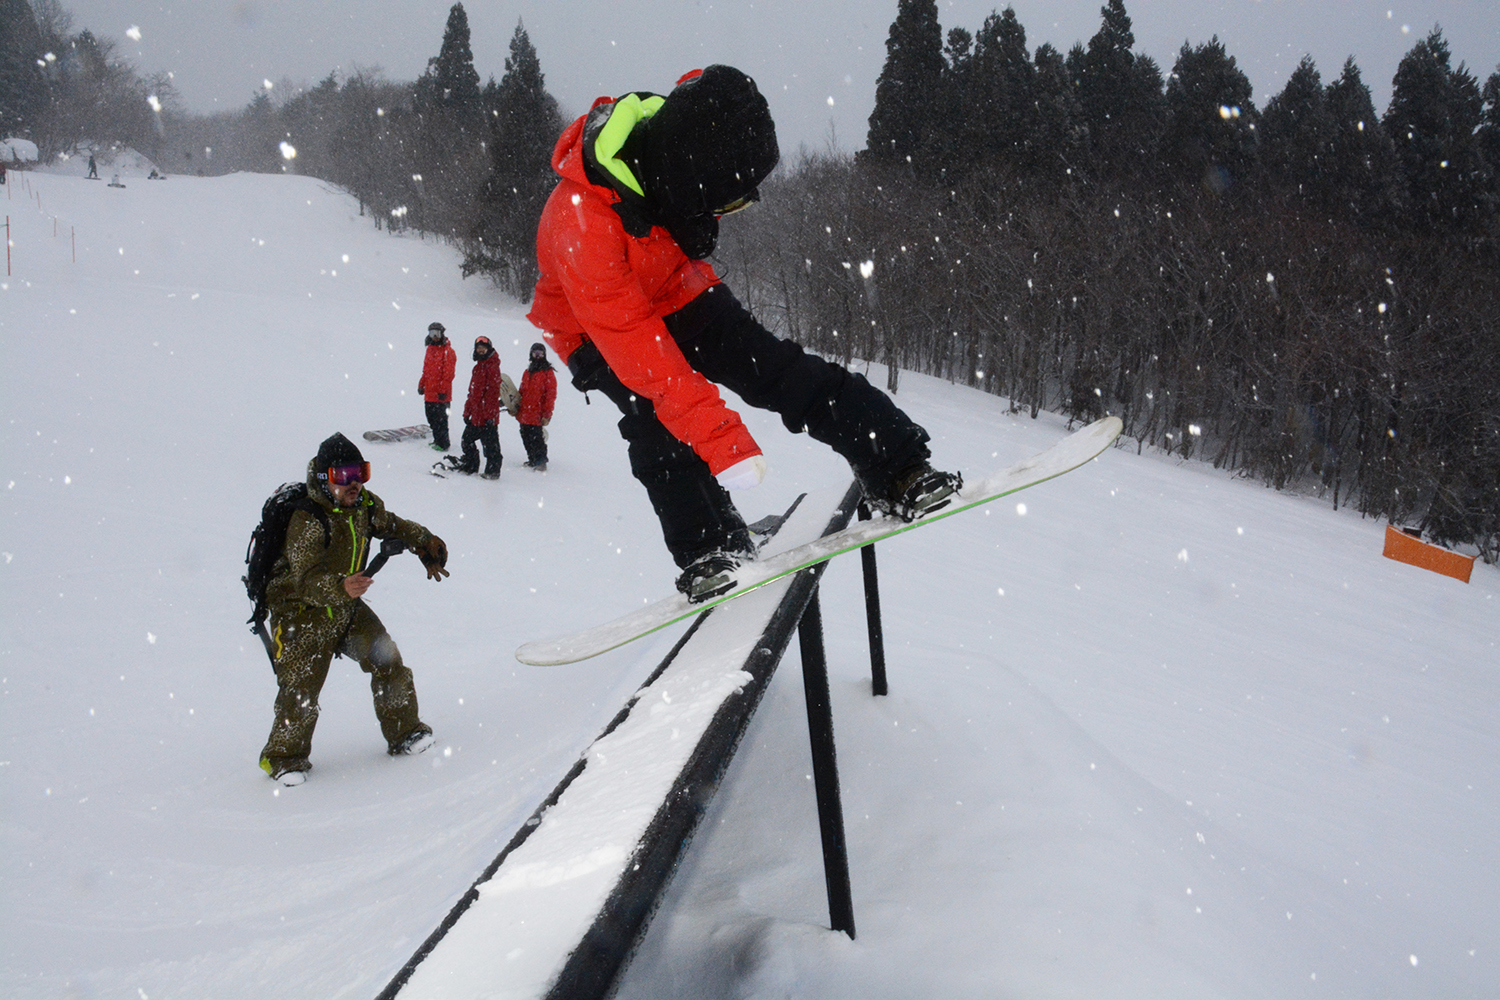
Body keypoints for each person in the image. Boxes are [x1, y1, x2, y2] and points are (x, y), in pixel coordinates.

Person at [527, 65, 962, 602]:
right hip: (594, 325)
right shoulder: (579, 221)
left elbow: (705, 106)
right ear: (693, 181)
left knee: (774, 369)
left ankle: (897, 464)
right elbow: (639, 347)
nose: (727, 212)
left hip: (674, 288)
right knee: (655, 418)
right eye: (727, 199)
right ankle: (711, 547)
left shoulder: (667, 146)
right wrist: (723, 441)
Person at [258, 432, 450, 786]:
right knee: (300, 691)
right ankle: (283, 758)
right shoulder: (307, 520)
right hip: (301, 615)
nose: (354, 483)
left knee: (388, 661)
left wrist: (422, 540)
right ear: (324, 479)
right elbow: (304, 581)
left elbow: (390, 523)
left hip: (344, 608)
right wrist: (340, 586)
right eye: (343, 476)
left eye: (360, 472)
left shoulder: (363, 505)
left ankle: (405, 733)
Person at [457, 336, 503, 478]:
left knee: (491, 447)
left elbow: (492, 394)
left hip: (487, 416)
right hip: (476, 415)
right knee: (467, 440)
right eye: (478, 348)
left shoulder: (492, 367)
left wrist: (490, 416)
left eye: (483, 347)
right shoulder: (477, 368)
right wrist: (467, 412)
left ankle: (493, 472)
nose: (481, 350)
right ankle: (471, 466)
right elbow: (472, 393)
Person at [517, 342, 558, 471]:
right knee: (525, 436)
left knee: (536, 438)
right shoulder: (527, 371)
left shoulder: (548, 372)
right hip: (524, 411)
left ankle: (540, 462)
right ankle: (532, 459)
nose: (537, 356)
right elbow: (521, 391)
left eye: (540, 353)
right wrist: (514, 406)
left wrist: (547, 414)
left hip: (537, 412)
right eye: (535, 353)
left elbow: (551, 394)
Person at [418, 322, 457, 451]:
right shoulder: (429, 349)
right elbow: (426, 370)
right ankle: (437, 440)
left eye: (437, 333)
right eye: (432, 333)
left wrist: (442, 390)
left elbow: (448, 374)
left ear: (442, 334)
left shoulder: (448, 352)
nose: (434, 336)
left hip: (442, 395)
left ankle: (443, 443)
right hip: (429, 392)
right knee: (431, 418)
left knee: (441, 420)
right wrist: (422, 384)